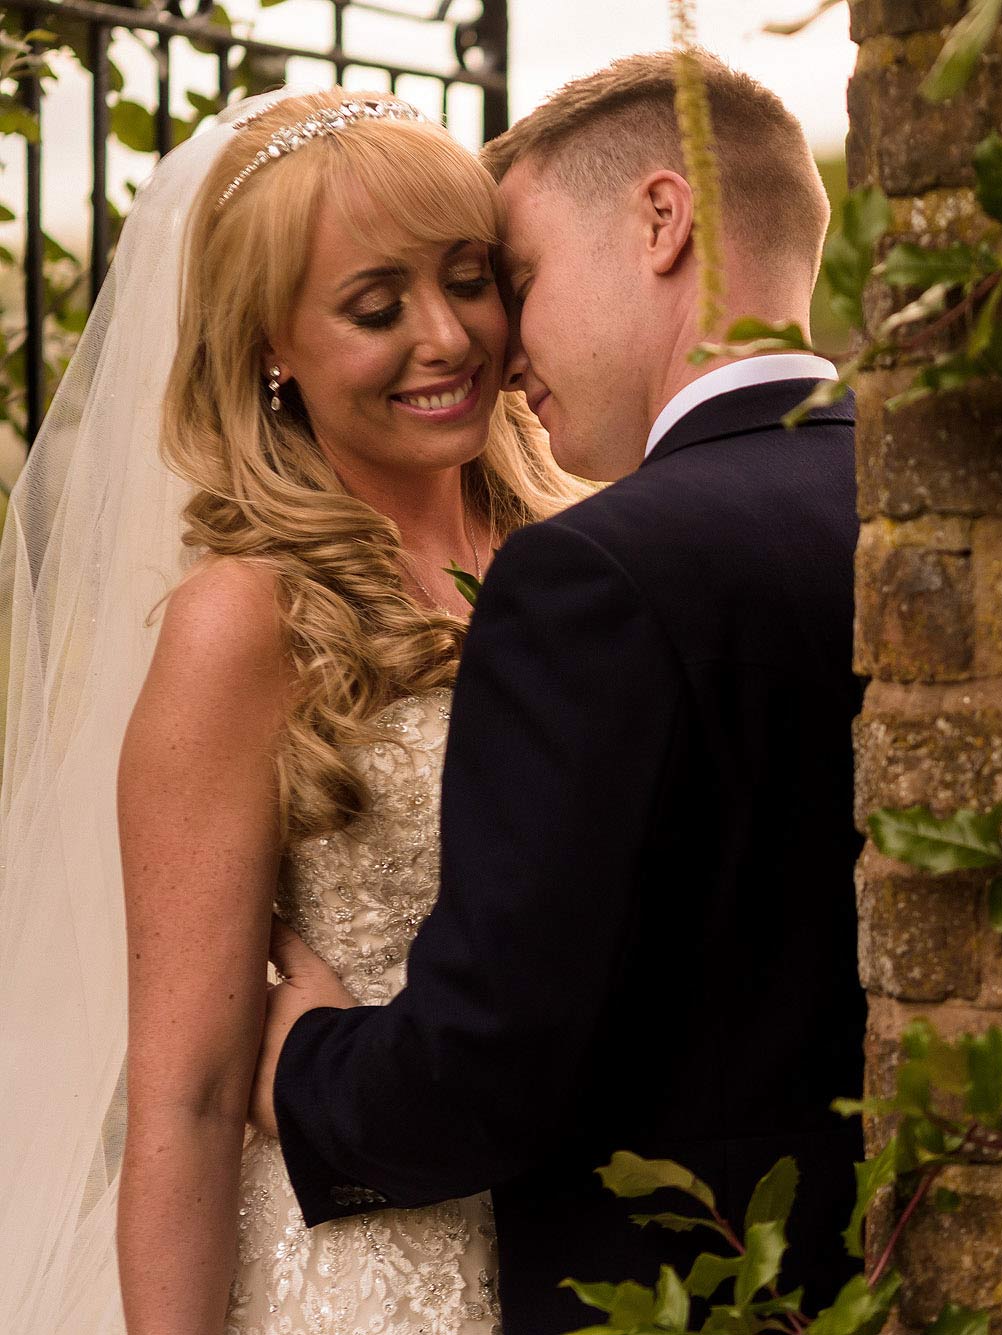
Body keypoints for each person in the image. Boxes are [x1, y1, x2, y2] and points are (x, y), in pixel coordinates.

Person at [250, 51, 868, 1335]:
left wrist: (302, 1064)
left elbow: (487, 1070)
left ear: (663, 219)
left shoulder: (594, 568)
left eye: (512, 281)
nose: (500, 345)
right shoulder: (910, 511)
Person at [0, 89, 583, 1332]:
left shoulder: (593, 546)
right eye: (376, 308)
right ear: (271, 345)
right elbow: (189, 1097)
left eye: (469, 277)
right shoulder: (247, 620)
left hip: (591, 1241)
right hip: (357, 1274)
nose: (446, 337)